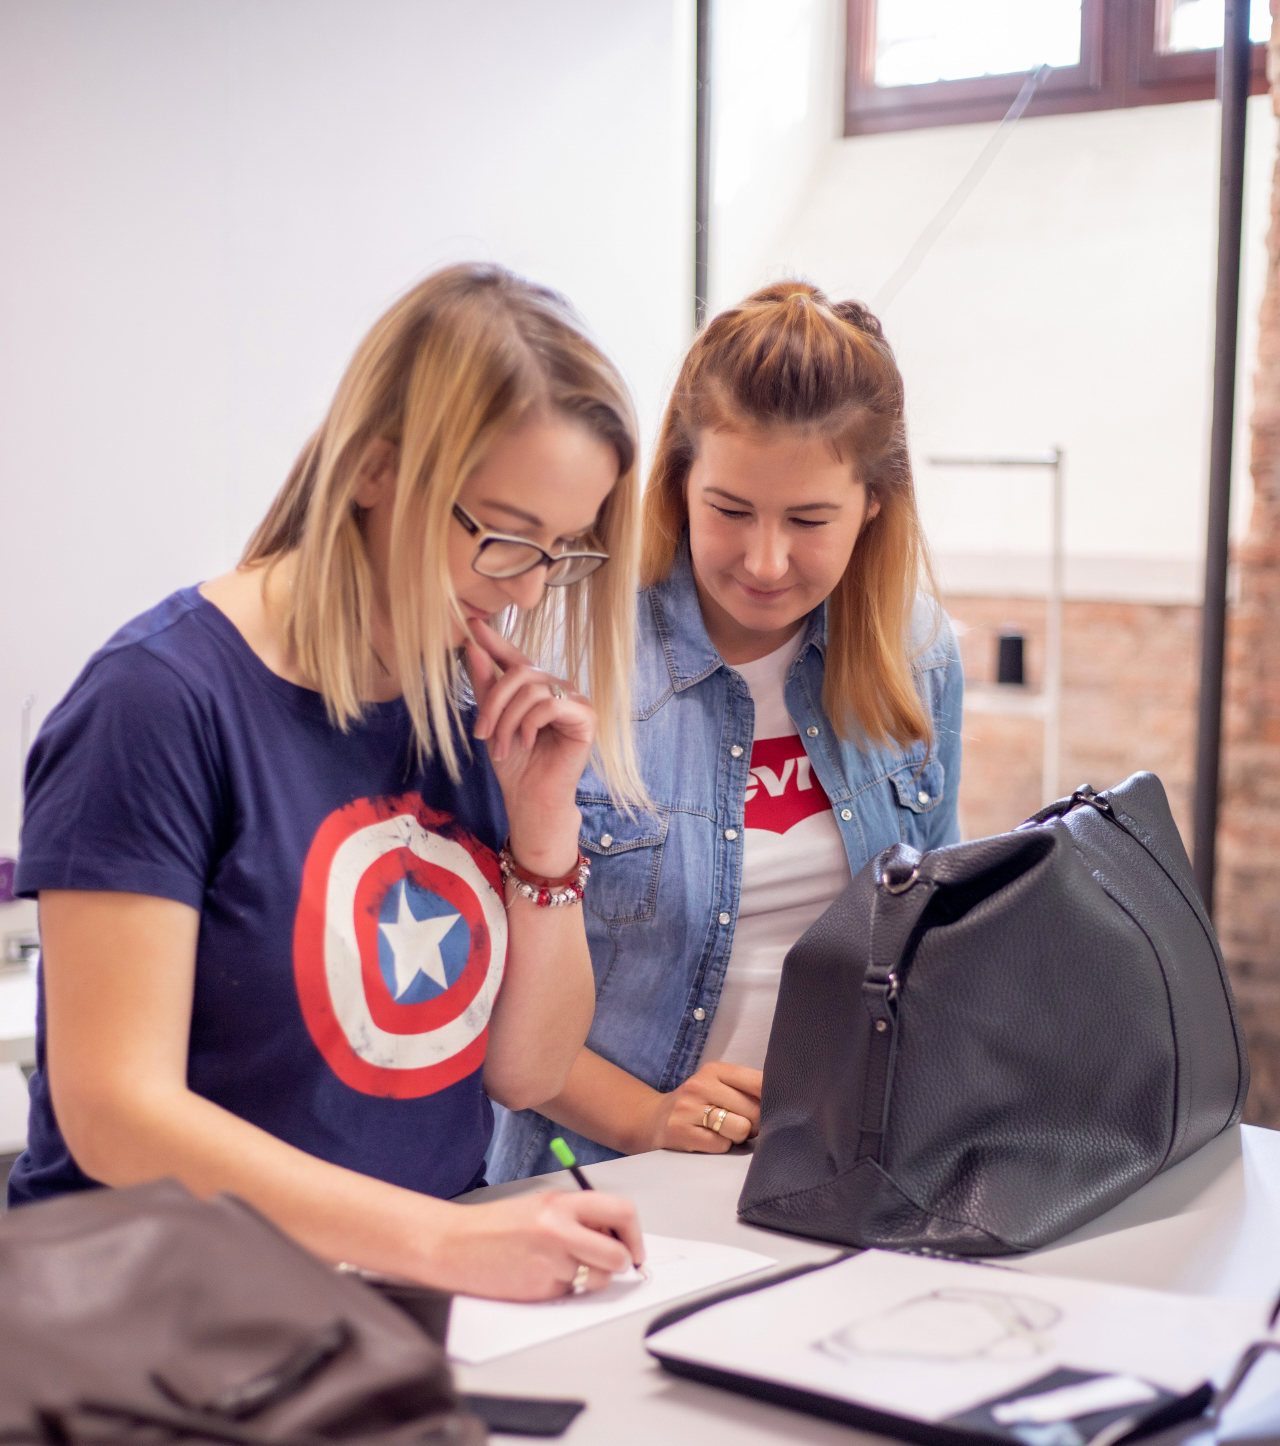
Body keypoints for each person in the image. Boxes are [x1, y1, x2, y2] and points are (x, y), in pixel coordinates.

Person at [11, 264, 646, 1298]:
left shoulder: (466, 707)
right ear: (374, 470)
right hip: (163, 1312)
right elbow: (116, 1116)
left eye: (561, 551)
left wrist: (542, 829)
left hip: (394, 1303)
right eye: (502, 536)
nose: (527, 592)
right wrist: (440, 1243)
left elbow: (524, 1072)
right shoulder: (155, 702)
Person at [489, 281, 963, 1180]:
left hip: (840, 1173)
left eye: (809, 520)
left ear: (874, 503)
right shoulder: (565, 658)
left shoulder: (918, 655)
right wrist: (645, 1117)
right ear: (678, 481)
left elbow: (936, 940)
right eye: (730, 510)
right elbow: (486, 996)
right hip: (600, 1178)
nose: (766, 561)